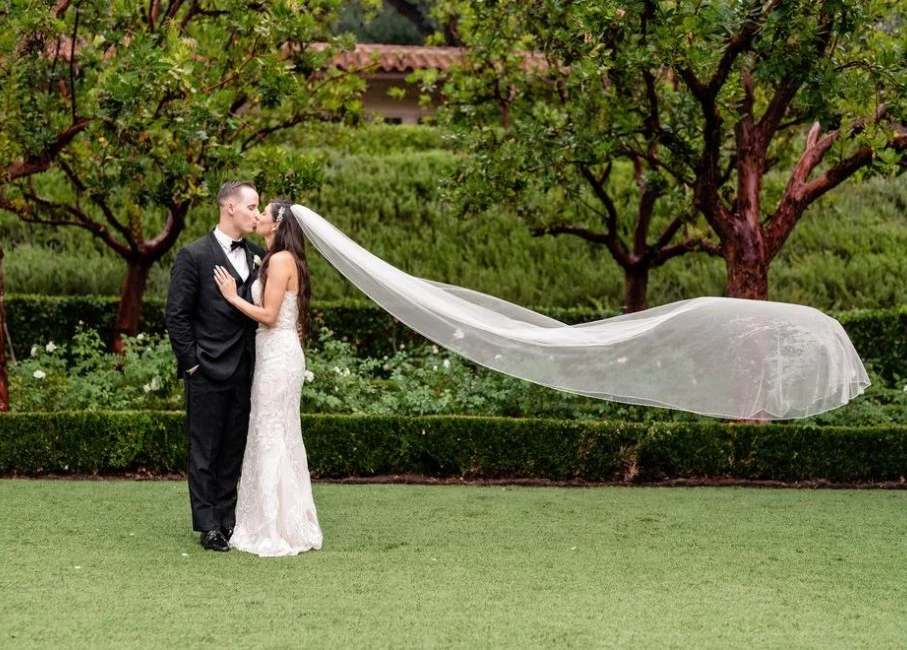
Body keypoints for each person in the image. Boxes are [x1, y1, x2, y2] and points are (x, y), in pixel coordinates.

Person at [213, 199, 323, 557]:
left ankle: (274, 527)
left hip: (277, 355)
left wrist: (232, 298)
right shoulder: (283, 259)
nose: (258, 216)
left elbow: (270, 316)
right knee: (279, 432)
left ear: (276, 224)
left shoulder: (278, 260)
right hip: (280, 353)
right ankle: (285, 521)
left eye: (263, 212)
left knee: (271, 433)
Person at [165, 181, 266, 552]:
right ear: (229, 207)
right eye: (252, 206)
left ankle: (228, 520)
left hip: (246, 369)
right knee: (204, 450)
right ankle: (207, 525)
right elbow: (176, 316)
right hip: (206, 370)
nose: (256, 213)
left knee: (233, 448)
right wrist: (192, 365)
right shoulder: (193, 256)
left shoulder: (257, 255)